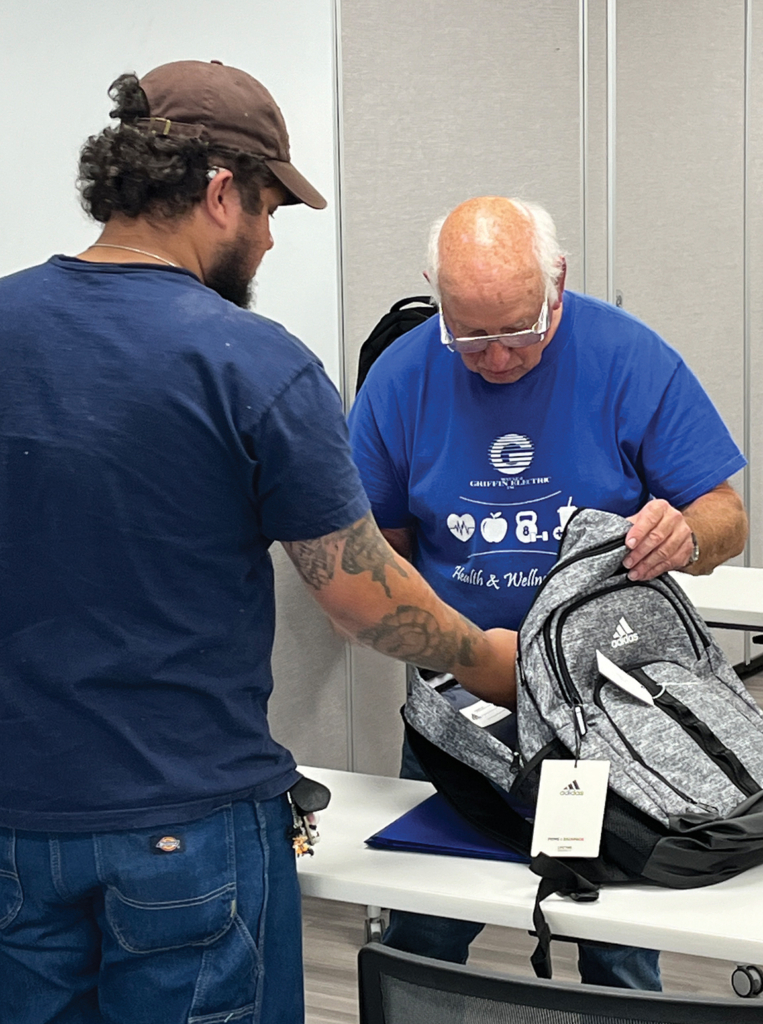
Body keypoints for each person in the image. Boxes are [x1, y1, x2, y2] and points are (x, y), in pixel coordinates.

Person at [0, 67, 518, 1024]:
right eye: (270, 208)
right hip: (184, 823)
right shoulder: (251, 360)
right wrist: (491, 660)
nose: (272, 239)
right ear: (219, 191)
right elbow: (362, 597)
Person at [348, 195, 748, 989]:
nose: (497, 359)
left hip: (606, 706)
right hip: (465, 703)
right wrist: (444, 649)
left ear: (556, 284)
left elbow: (725, 515)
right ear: (436, 294)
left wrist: (687, 536)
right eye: (472, 337)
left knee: (617, 936)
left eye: (519, 332)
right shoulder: (399, 378)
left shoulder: (628, 357)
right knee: (424, 928)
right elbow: (376, 556)